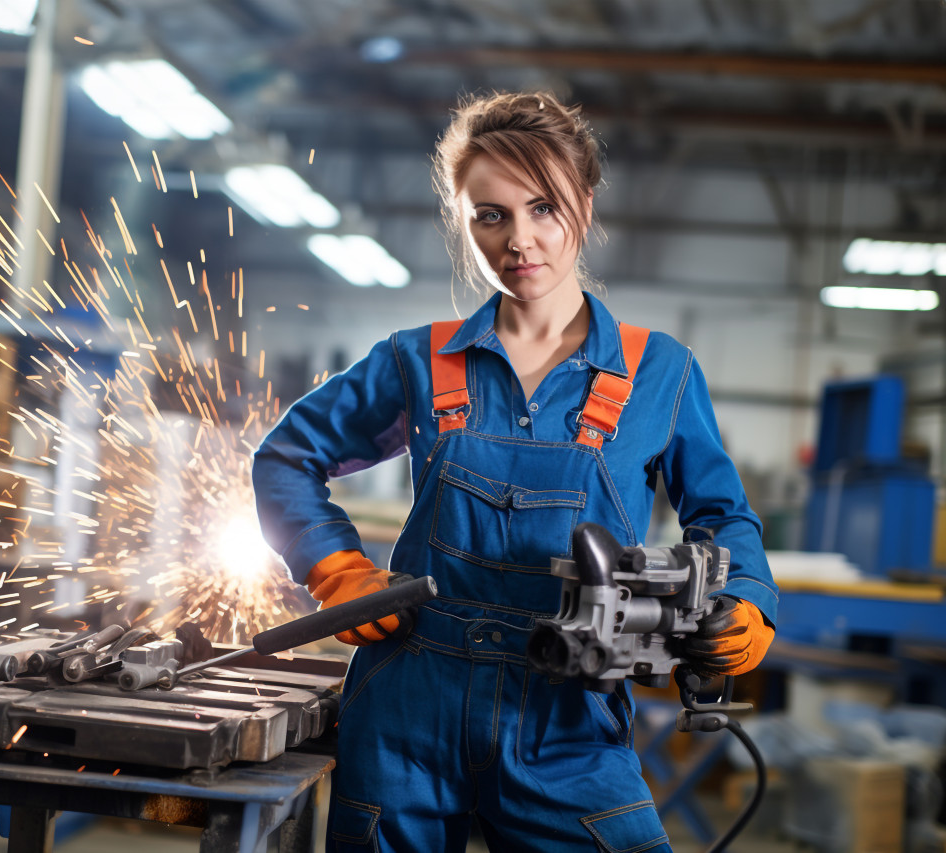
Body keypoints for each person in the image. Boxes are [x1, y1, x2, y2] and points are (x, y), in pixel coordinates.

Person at [251, 90, 778, 852]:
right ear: (462, 223)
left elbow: (723, 514)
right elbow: (286, 456)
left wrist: (746, 600)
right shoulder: (417, 358)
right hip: (407, 715)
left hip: (569, 721)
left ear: (585, 206)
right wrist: (335, 566)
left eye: (544, 208)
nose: (520, 241)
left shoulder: (660, 371)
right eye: (489, 215)